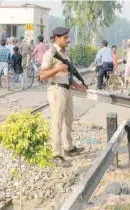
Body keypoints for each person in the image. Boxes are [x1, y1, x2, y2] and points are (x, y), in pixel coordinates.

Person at [40, 27, 87, 167]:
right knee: (57, 122)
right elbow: (42, 75)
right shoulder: (50, 54)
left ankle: (68, 147)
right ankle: (56, 154)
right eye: (65, 37)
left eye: (68, 37)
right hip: (56, 89)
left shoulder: (65, 54)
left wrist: (77, 85)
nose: (68, 40)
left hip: (67, 89)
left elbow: (67, 74)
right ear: (57, 38)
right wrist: (58, 69)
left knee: (69, 120)